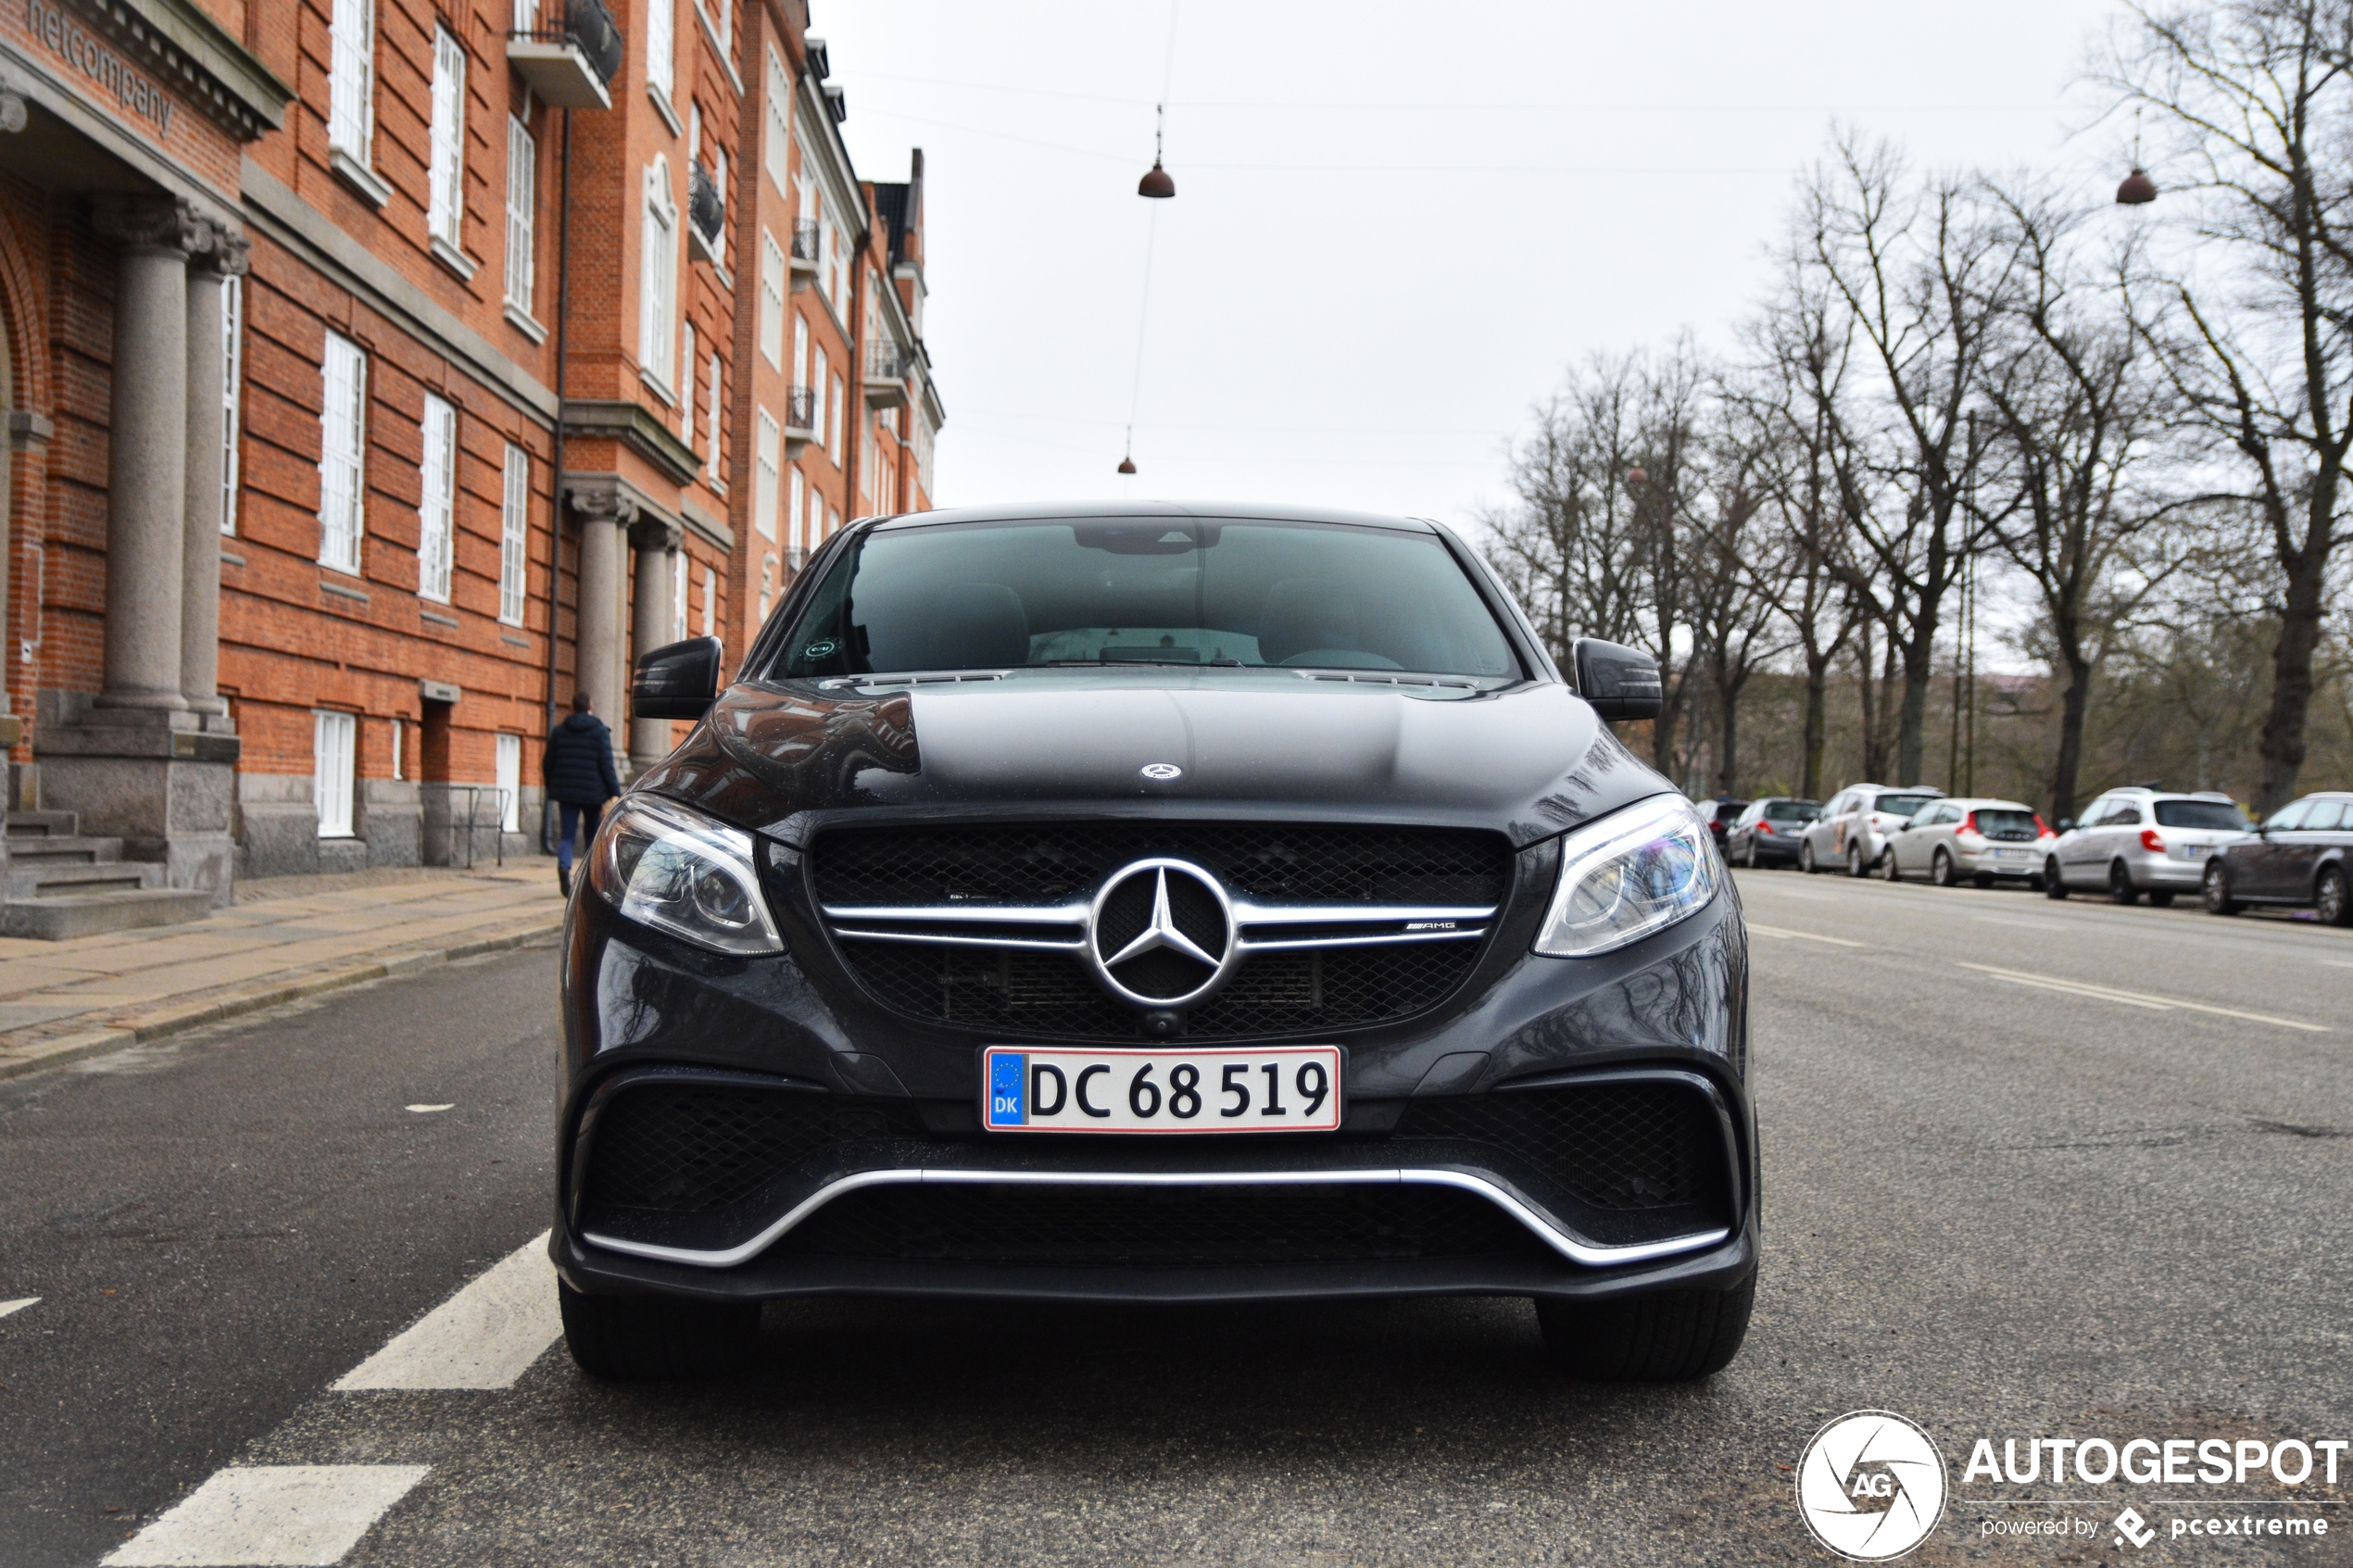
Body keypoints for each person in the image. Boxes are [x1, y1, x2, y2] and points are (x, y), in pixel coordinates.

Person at [545, 690, 622, 897]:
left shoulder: (559, 732)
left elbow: (548, 762)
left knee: (567, 836)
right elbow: (607, 766)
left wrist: (552, 785)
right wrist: (615, 793)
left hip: (567, 792)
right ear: (590, 707)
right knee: (592, 835)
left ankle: (564, 866)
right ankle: (587, 879)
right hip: (593, 794)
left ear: (572, 707)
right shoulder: (599, 731)